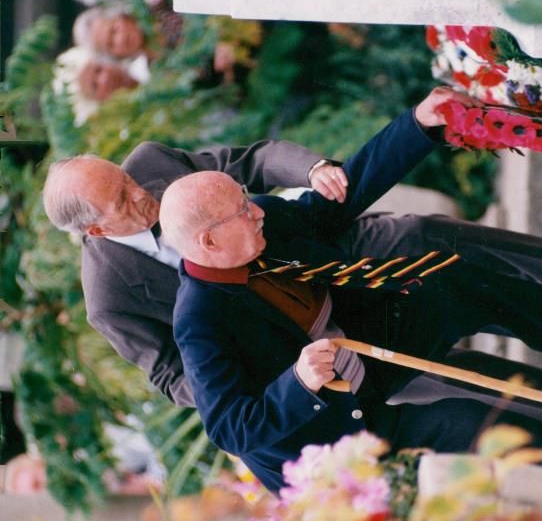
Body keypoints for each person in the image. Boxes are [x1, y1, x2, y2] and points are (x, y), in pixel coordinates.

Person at [160, 91, 542, 510]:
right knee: (467, 423)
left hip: (365, 347)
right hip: (331, 435)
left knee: (448, 285)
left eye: (248, 202)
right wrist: (297, 382)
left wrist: (421, 124)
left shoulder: (260, 225)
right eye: (242, 212)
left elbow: (337, 203)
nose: (257, 213)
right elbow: (230, 427)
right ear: (209, 243)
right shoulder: (198, 320)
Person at [43, 138, 348, 404]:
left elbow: (252, 161)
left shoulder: (152, 161)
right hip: (303, 355)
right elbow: (173, 378)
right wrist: (264, 379)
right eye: (122, 200)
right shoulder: (108, 300)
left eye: (125, 179)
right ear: (96, 230)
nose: (138, 192)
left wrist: (313, 170)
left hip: (329, 258)